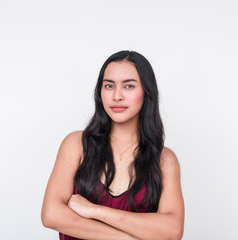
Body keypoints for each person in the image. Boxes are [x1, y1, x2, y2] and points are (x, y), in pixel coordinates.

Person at [41, 50, 185, 240]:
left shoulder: (164, 160)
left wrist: (94, 210)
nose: (117, 96)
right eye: (109, 85)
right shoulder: (76, 144)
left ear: (147, 92)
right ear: (100, 93)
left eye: (129, 86)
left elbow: (172, 231)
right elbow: (51, 215)